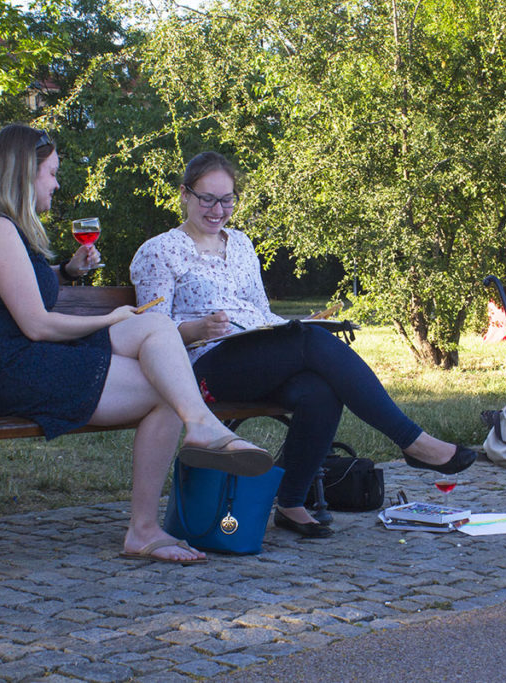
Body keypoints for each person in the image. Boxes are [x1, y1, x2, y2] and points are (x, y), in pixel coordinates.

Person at [0, 124, 273, 566]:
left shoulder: (4, 229)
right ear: (26, 172)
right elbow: (37, 325)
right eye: (52, 173)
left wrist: (66, 272)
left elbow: (8, 295)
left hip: (27, 357)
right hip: (7, 370)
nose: (56, 184)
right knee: (167, 390)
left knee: (157, 327)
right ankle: (148, 519)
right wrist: (111, 317)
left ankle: (200, 428)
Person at [129, 151, 475, 538]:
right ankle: (414, 442)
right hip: (202, 367)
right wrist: (197, 329)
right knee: (310, 342)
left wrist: (289, 325)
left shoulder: (241, 244)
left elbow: (258, 311)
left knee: (319, 388)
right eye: (207, 198)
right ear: (185, 195)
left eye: (227, 199)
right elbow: (150, 331)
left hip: (255, 354)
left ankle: (291, 501)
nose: (217, 209)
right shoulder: (159, 251)